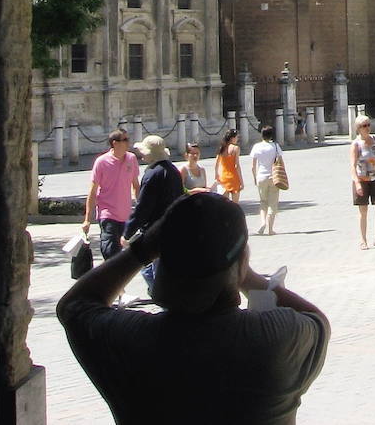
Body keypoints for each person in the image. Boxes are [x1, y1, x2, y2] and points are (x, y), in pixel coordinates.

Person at [57, 192, 330, 425]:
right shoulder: (276, 339)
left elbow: (75, 306)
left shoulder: (130, 340)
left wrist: (142, 249)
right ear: (240, 261)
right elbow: (317, 320)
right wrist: (245, 274)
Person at [123, 135, 183, 295]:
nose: (142, 155)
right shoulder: (173, 171)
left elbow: (143, 207)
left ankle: (166, 303)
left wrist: (128, 232)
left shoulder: (152, 175)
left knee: (155, 271)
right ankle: (163, 296)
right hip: (173, 227)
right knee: (148, 269)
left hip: (155, 231)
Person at [81, 130, 140, 261]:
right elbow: (93, 191)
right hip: (107, 214)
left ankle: (113, 278)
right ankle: (109, 278)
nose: (128, 143)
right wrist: (87, 220)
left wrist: (140, 208)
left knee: (120, 253)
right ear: (115, 143)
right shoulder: (101, 162)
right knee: (110, 252)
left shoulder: (131, 158)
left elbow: (136, 185)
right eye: (125, 140)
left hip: (125, 215)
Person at [350, 114, 375, 250]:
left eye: (368, 125)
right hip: (362, 180)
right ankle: (363, 240)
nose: (367, 128)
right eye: (364, 126)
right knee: (363, 211)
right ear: (358, 128)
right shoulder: (356, 144)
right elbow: (353, 166)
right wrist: (357, 183)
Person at [249, 124, 283, 235]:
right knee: (272, 204)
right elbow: (280, 162)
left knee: (263, 202)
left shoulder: (257, 147)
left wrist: (255, 177)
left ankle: (263, 223)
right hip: (273, 177)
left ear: (262, 135)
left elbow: (253, 166)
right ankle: (270, 229)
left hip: (261, 177)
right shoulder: (276, 146)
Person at [214, 128, 243, 202]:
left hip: (223, 177)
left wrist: (216, 175)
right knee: (235, 204)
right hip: (234, 177)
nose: (237, 139)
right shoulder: (236, 148)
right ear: (232, 138)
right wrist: (241, 181)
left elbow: (216, 164)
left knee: (224, 204)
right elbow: (236, 165)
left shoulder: (222, 148)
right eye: (237, 137)